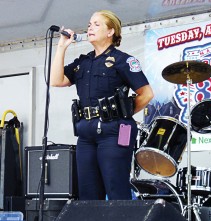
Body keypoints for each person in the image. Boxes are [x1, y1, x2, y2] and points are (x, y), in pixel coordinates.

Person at [50, 10, 154, 200]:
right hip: (86, 133)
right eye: (90, 24)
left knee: (117, 189)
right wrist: (61, 47)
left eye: (97, 24)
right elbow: (56, 80)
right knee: (88, 194)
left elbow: (146, 94)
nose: (90, 27)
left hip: (116, 131)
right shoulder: (83, 62)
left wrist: (123, 113)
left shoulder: (123, 61)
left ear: (110, 32)